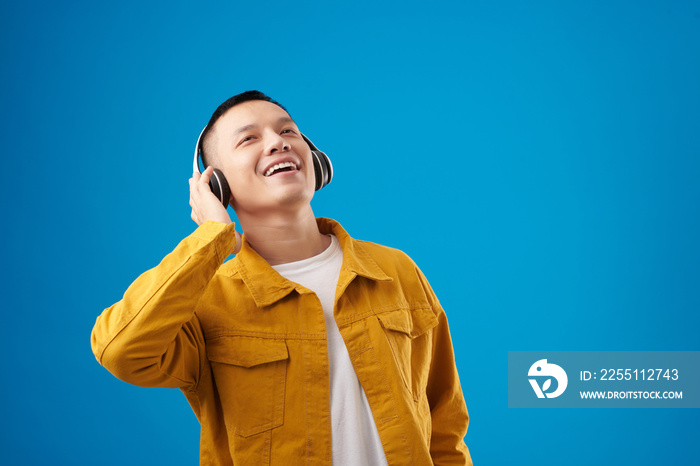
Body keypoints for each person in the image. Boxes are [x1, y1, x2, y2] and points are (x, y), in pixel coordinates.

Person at [91, 90, 473, 465]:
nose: (278, 143)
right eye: (249, 139)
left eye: (288, 131)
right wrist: (210, 238)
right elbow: (121, 351)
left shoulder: (396, 271)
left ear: (317, 161)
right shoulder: (206, 303)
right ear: (216, 186)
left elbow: (444, 425)